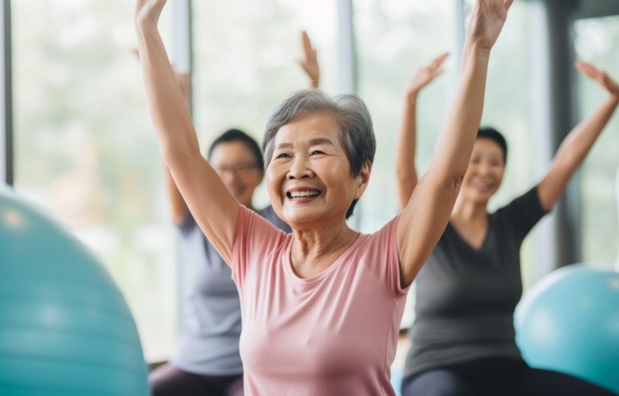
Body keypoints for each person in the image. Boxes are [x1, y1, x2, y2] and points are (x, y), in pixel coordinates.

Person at [135, 0, 513, 394]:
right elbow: (181, 152)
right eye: (283, 155)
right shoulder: (253, 249)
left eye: (317, 151)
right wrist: (147, 31)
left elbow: (447, 176)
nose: (298, 168)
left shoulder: (385, 257)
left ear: (361, 176)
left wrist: (478, 50)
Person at [396, 56, 619, 396]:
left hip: (507, 368)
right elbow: (403, 173)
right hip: (436, 370)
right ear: (458, 166)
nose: (486, 170)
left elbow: (565, 162)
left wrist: (612, 101)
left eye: (496, 162)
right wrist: (410, 99)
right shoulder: (430, 225)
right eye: (475, 160)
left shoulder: (510, 224)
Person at [148, 32, 320, 396]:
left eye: (243, 167)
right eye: (221, 170)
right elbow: (176, 155)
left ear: (261, 173)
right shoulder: (193, 224)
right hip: (192, 363)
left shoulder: (277, 225)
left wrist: (313, 86)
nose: (231, 178)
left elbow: (303, 153)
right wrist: (177, 94)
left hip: (250, 369)